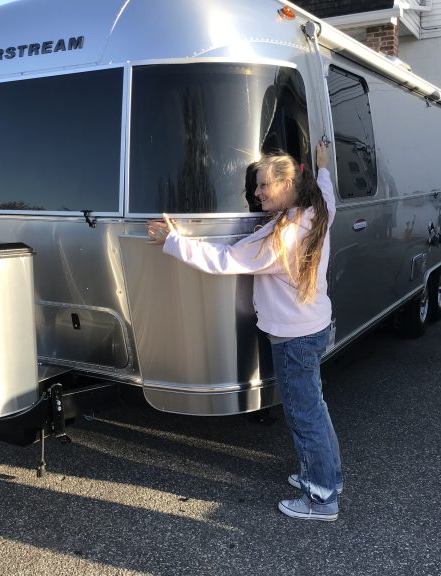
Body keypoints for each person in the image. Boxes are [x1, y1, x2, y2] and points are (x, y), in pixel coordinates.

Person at [146, 141, 344, 521]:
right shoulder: (315, 212)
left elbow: (225, 259)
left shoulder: (281, 236)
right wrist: (323, 167)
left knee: (304, 416)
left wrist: (171, 241)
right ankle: (327, 477)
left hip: (293, 338)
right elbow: (328, 196)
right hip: (312, 327)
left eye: (264, 185)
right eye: (255, 186)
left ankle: (321, 498)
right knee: (315, 409)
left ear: (287, 184)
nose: (257, 193)